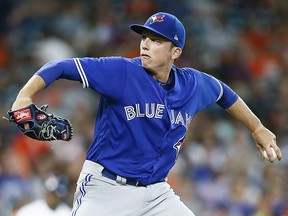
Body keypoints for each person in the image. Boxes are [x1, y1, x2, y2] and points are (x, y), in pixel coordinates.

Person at [10, 12, 282, 216]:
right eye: (144, 38)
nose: (145, 45)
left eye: (155, 40)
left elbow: (224, 93)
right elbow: (60, 66)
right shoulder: (122, 72)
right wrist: (24, 97)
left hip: (156, 193)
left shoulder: (192, 84)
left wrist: (256, 127)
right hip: (106, 189)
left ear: (176, 52)